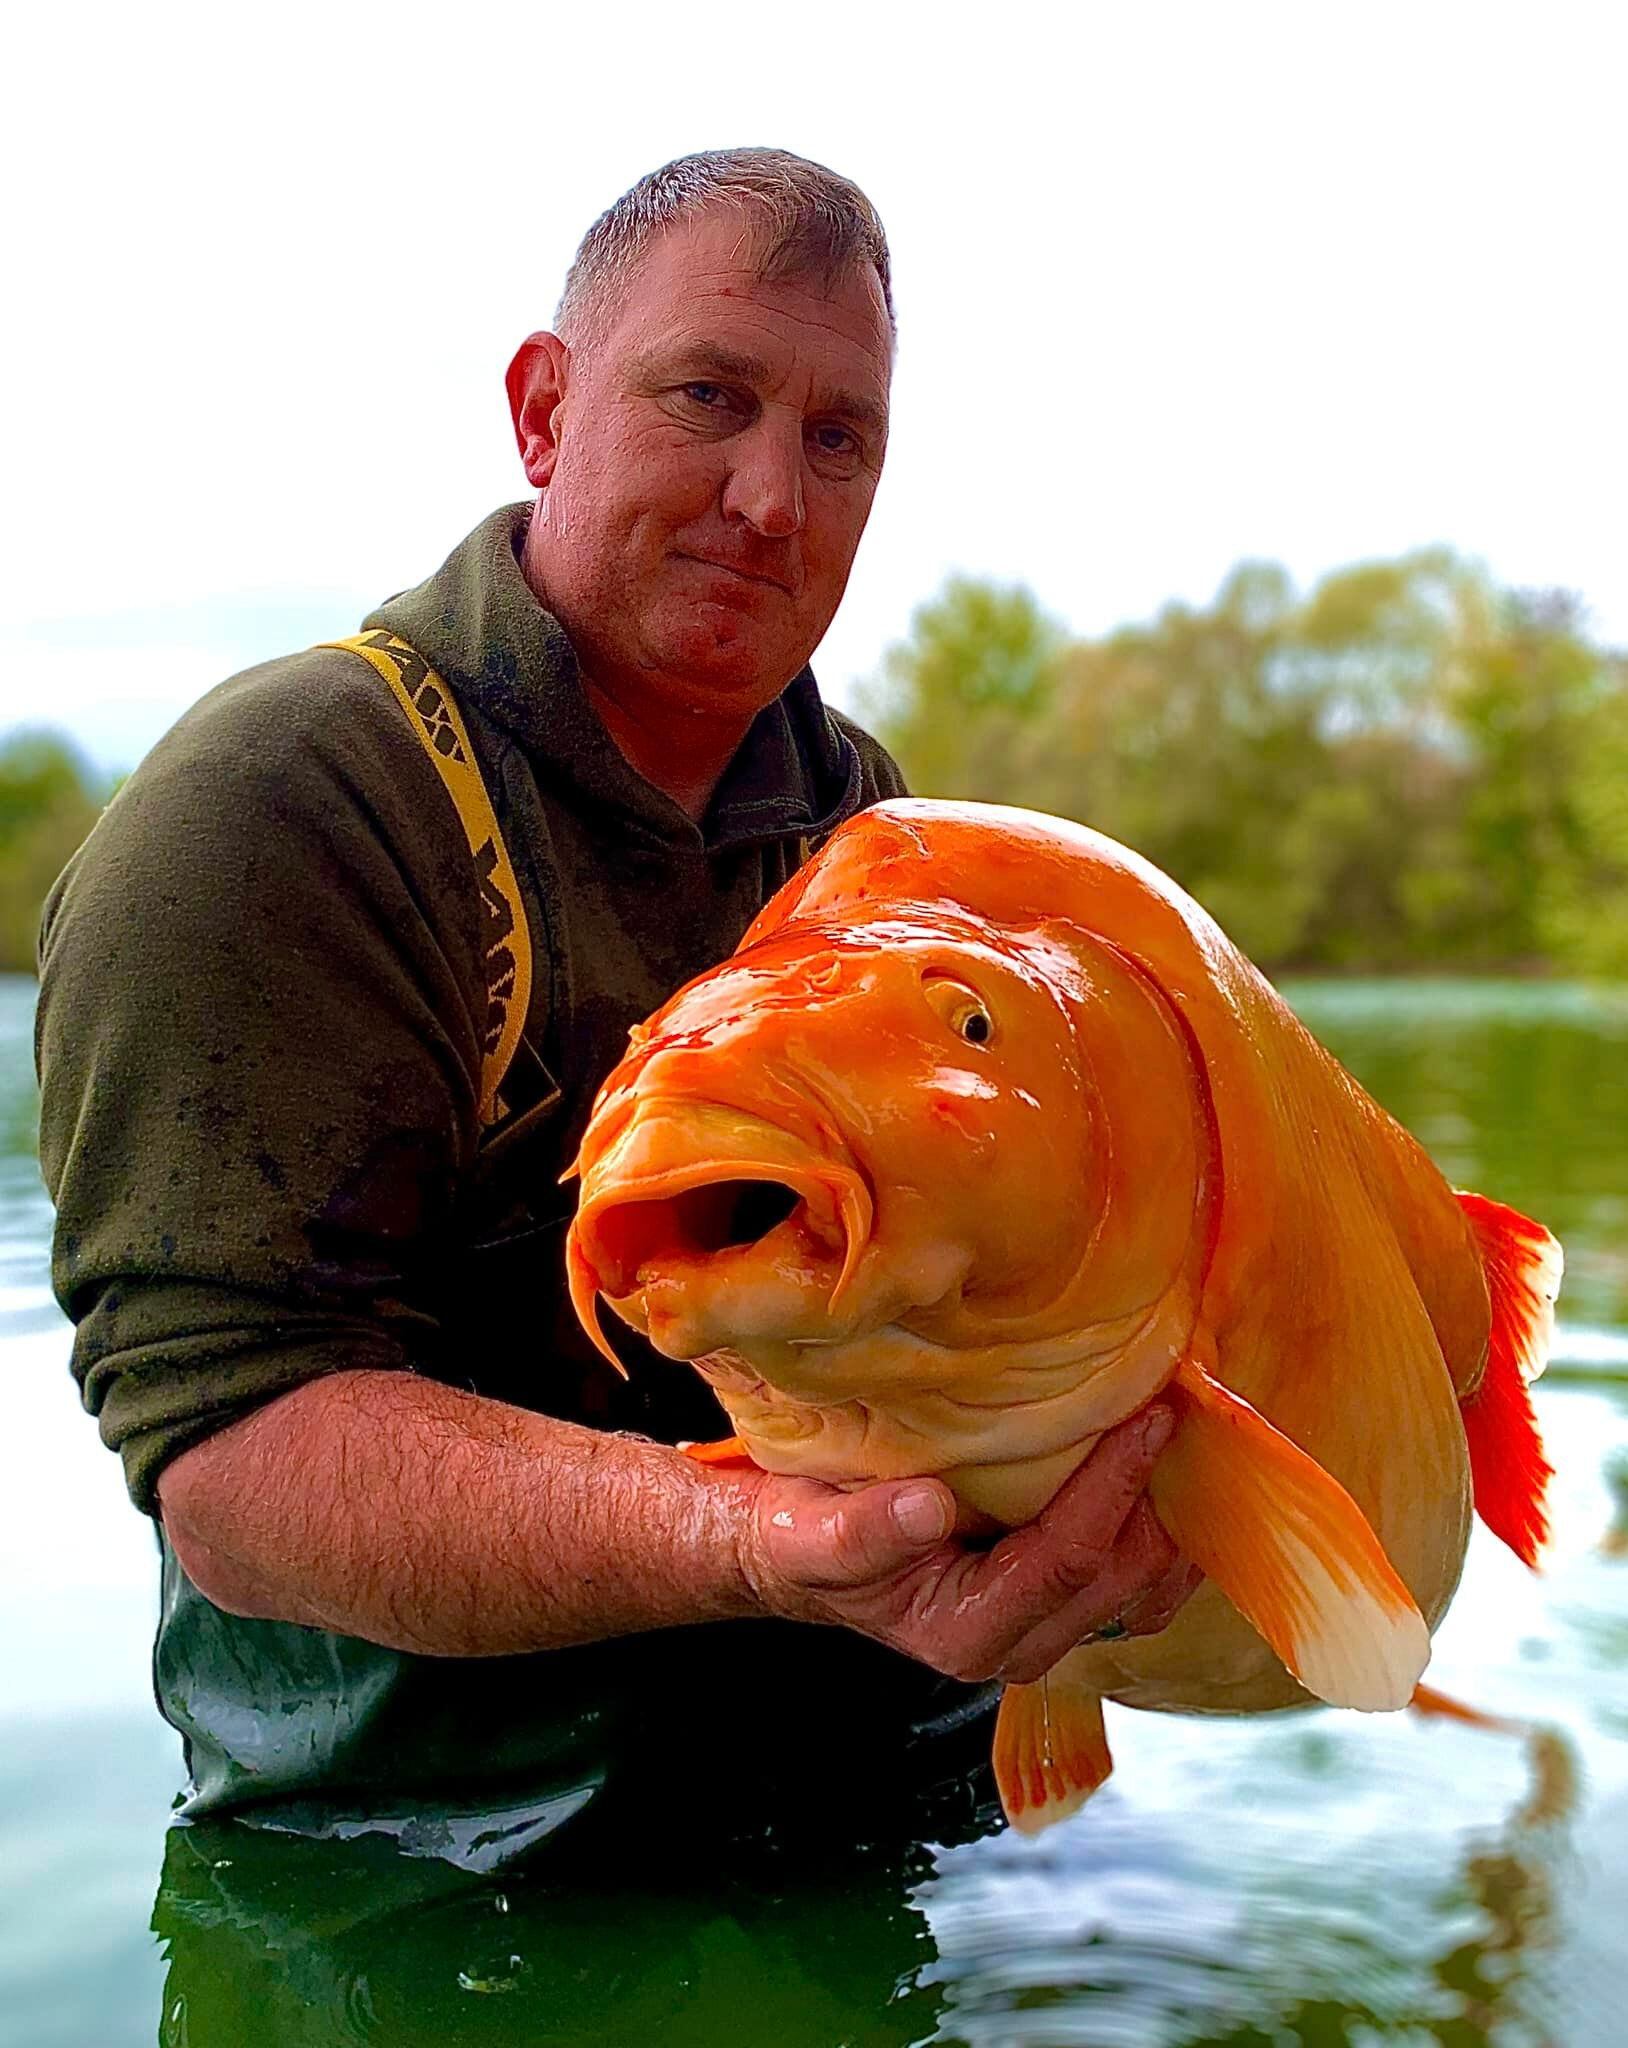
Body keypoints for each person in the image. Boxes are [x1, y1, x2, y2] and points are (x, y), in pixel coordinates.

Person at [36, 148, 1193, 1865]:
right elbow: (233, 1461)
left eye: (836, 439)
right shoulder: (281, 803)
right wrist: (747, 1543)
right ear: (542, 410)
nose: (771, 501)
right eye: (708, 398)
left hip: (890, 1826)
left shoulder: (881, 837)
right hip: (420, 1893)